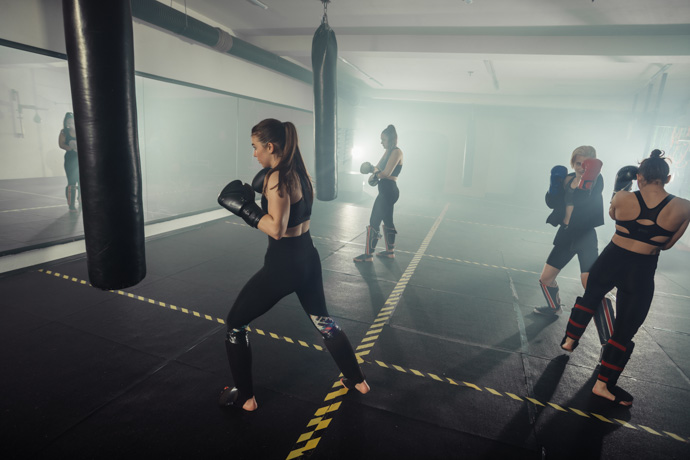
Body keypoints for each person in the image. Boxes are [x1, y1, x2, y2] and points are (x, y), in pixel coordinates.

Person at [217, 118, 370, 411]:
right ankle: (357, 379)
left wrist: (246, 210)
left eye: (255, 147)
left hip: (282, 267)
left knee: (235, 324)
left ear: (270, 146)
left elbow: (276, 228)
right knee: (324, 322)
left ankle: (246, 398)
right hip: (308, 260)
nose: (254, 154)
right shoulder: (298, 171)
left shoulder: (277, 178)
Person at [561, 149, 690, 406]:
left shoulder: (622, 197)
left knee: (592, 295)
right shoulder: (684, 207)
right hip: (641, 269)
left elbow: (613, 215)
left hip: (611, 259)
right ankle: (602, 385)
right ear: (668, 178)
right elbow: (667, 245)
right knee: (624, 329)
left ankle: (570, 339)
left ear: (639, 176)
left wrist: (622, 191)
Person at [535, 146, 604, 315]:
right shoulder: (566, 179)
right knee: (545, 279)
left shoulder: (597, 180)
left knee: (589, 284)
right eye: (578, 163)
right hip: (566, 234)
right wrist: (554, 187)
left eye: (586, 165)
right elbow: (552, 204)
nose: (582, 168)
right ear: (573, 163)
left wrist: (587, 178)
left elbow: (584, 202)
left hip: (585, 235)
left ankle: (609, 328)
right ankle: (554, 307)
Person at [354, 124, 403, 262]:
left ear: (391, 139)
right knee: (388, 220)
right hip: (386, 190)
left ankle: (368, 256)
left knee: (374, 221)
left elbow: (386, 173)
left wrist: (373, 170)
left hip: (389, 191)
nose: (381, 142)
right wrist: (372, 170)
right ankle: (390, 252)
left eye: (383, 140)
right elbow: (378, 168)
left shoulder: (397, 152)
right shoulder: (388, 151)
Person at [58, 112, 79, 211]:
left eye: (71, 121)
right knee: (72, 182)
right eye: (68, 122)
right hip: (70, 160)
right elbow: (61, 144)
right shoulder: (64, 132)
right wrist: (71, 148)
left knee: (82, 182)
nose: (69, 124)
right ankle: (71, 205)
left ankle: (82, 201)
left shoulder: (80, 130)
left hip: (81, 159)